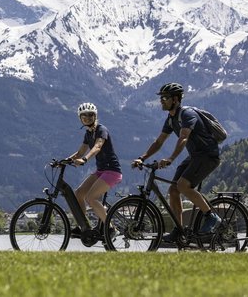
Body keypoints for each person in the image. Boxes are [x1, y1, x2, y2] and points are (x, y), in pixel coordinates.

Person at [131, 82, 222, 243]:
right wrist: (142, 158)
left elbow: (184, 137)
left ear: (176, 99)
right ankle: (179, 230)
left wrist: (171, 158)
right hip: (195, 156)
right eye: (161, 98)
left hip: (208, 155)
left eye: (165, 98)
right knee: (173, 190)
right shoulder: (171, 119)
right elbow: (159, 142)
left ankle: (211, 216)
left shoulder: (187, 114)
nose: (161, 101)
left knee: (183, 185)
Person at [66, 102, 123, 238]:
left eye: (90, 115)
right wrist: (65, 161)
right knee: (79, 193)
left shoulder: (101, 130)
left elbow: (97, 147)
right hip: (101, 171)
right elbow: (80, 152)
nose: (87, 118)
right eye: (84, 116)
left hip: (112, 171)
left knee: (91, 197)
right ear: (80, 118)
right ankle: (83, 226)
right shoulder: (88, 134)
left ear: (95, 116)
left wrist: (85, 160)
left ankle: (111, 229)